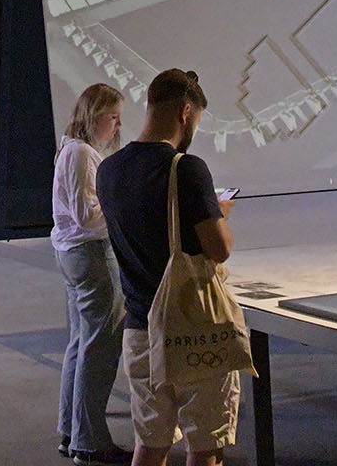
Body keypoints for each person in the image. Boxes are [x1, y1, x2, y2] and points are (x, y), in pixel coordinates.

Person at [98, 69, 236, 466]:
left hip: (140, 329)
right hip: (194, 331)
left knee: (150, 444)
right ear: (185, 112)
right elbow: (219, 249)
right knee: (205, 446)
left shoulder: (109, 170)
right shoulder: (187, 169)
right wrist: (219, 213)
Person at [52, 84, 126, 463]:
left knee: (82, 343)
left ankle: (73, 432)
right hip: (90, 253)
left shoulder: (73, 150)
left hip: (74, 252)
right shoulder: (81, 154)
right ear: (94, 116)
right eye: (113, 117)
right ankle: (89, 440)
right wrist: (124, 210)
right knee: (99, 347)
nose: (118, 125)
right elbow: (87, 216)